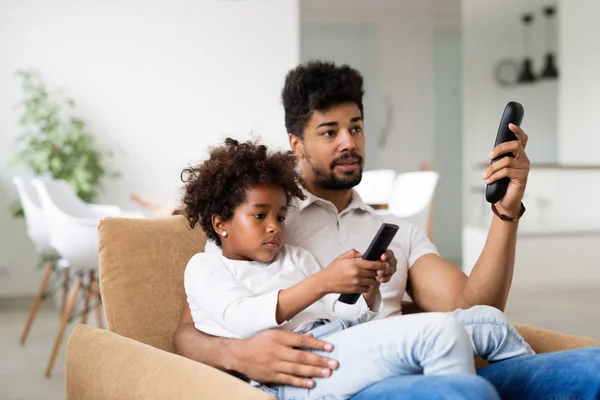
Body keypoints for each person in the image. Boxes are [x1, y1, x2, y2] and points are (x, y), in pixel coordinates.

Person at [174, 61, 600, 399]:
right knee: (457, 389)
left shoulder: (395, 230)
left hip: (429, 358)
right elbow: (191, 331)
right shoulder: (266, 226)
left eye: (356, 127)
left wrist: (505, 212)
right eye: (330, 132)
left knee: (592, 367)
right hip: (352, 381)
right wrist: (240, 355)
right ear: (296, 144)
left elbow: (474, 307)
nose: (349, 142)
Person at [180, 138, 534, 400]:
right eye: (260, 216)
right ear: (221, 222)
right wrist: (321, 282)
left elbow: (343, 313)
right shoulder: (205, 267)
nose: (274, 226)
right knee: (440, 333)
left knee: (488, 321)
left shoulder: (295, 257)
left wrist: (368, 289)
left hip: (338, 339)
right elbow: (243, 318)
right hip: (298, 370)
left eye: (280, 216)